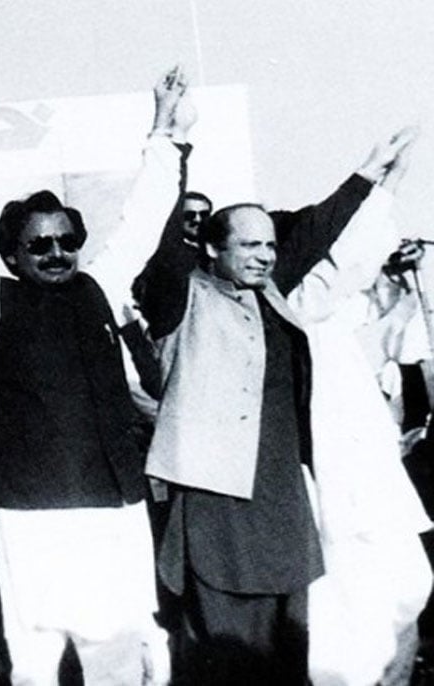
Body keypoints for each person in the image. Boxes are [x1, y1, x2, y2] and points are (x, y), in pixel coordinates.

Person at [139, 126, 417, 684]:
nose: (265, 256)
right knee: (225, 654)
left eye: (270, 245)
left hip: (281, 502)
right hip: (218, 508)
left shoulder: (271, 291)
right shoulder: (177, 297)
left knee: (289, 649)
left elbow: (314, 233)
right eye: (250, 245)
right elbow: (162, 242)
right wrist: (172, 142)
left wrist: (369, 172)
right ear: (211, 249)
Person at [0, 67, 191, 685]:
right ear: (13, 255)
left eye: (66, 241)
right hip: (35, 518)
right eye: (40, 246)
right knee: (36, 663)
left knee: (118, 654)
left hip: (114, 508)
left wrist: (163, 126)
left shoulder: (99, 289)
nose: (57, 253)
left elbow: (145, 218)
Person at [283, 167, 433, 685]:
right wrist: (384, 189)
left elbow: (373, 301)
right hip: (339, 495)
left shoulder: (333, 314)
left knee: (408, 586)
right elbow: (347, 268)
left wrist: (397, 271)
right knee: (347, 617)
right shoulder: (296, 307)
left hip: (375, 484)